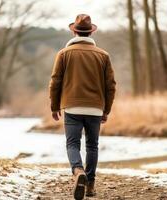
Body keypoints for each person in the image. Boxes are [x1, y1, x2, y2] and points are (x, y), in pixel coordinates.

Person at [49, 14, 116, 200]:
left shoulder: (63, 54)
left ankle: (78, 171)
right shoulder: (103, 55)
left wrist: (54, 106)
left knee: (72, 144)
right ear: (91, 32)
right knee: (92, 145)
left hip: (71, 107)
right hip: (95, 108)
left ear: (74, 31)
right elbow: (110, 85)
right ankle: (90, 186)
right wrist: (106, 110)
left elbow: (55, 81)